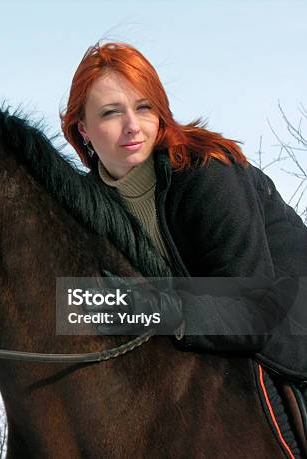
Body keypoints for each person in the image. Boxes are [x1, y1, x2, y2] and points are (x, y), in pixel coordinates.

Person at [60, 42, 307, 383]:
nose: (132, 125)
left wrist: (155, 308)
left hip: (290, 336)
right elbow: (83, 305)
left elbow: (256, 310)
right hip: (209, 353)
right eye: (111, 112)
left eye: (144, 107)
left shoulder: (208, 173)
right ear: (83, 128)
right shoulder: (86, 206)